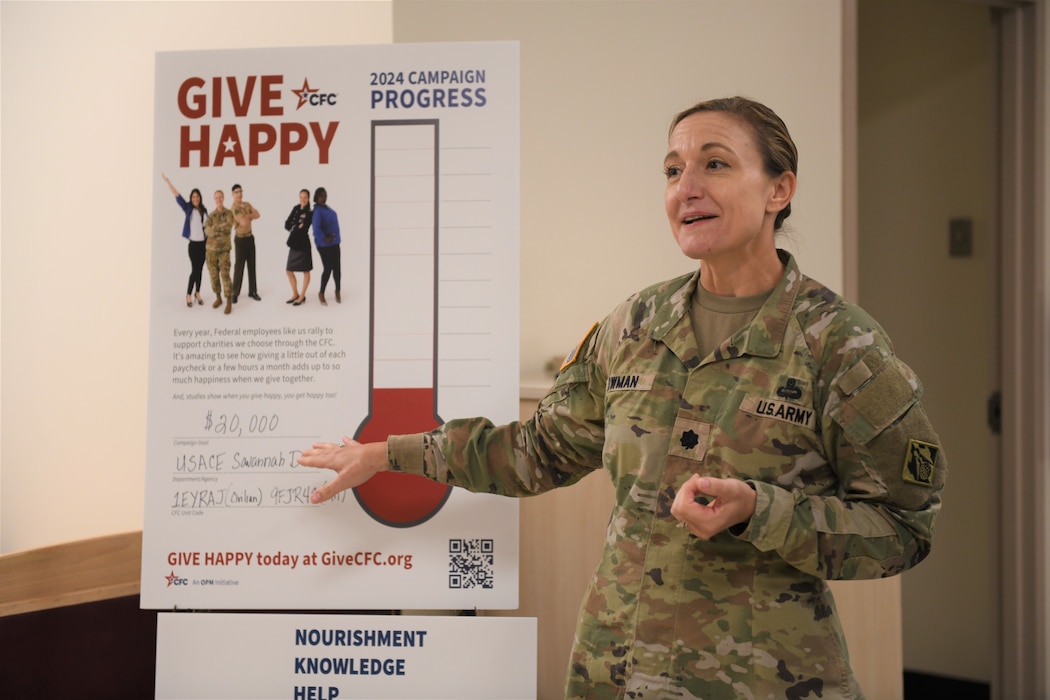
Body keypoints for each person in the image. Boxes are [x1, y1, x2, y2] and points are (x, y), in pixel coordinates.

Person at [297, 96, 948, 699]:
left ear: (780, 189)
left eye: (714, 164)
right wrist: (386, 453)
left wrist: (761, 510)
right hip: (616, 670)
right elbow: (537, 452)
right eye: (673, 170)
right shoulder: (634, 324)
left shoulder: (840, 344)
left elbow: (902, 527)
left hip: (763, 680)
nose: (686, 188)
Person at [161, 174, 207, 308]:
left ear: (200, 198)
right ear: (191, 198)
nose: (195, 198)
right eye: (193, 196)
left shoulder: (204, 210)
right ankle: (188, 294)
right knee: (194, 270)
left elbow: (207, 226)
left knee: (200, 270)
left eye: (197, 196)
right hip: (193, 245)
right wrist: (168, 182)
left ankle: (197, 293)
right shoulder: (188, 208)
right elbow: (177, 196)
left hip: (203, 245)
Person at [204, 189, 236, 315]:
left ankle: (228, 301)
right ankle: (218, 297)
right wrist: (216, 229)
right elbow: (207, 231)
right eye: (216, 197)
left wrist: (214, 229)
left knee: (225, 275)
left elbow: (228, 228)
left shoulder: (228, 213)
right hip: (210, 251)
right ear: (214, 199)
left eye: (220, 197)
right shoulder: (211, 215)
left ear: (223, 198)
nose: (218, 199)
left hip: (224, 251)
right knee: (213, 276)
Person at [230, 183, 262, 303]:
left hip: (250, 237)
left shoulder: (247, 204)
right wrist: (250, 216)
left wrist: (248, 215)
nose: (239, 194)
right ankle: (235, 293)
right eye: (236, 192)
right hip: (240, 239)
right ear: (232, 195)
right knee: (239, 266)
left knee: (252, 265)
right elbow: (243, 222)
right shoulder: (234, 208)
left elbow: (258, 214)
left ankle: (252, 291)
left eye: (240, 191)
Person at [311, 186, 341, 306]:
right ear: (316, 197)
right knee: (328, 268)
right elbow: (315, 229)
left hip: (335, 243)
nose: (323, 198)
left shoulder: (326, 208)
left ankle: (337, 290)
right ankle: (321, 293)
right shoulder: (317, 211)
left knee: (337, 268)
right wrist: (324, 238)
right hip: (324, 245)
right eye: (321, 196)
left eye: (325, 195)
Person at [284, 188, 313, 306]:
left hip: (304, 244)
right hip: (294, 243)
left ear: (308, 198)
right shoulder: (296, 208)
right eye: (301, 197)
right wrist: (296, 226)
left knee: (306, 271)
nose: (303, 200)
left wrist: (295, 226)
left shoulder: (310, 212)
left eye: (305, 198)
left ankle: (302, 296)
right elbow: (286, 224)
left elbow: (304, 227)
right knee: (289, 271)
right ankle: (295, 293)